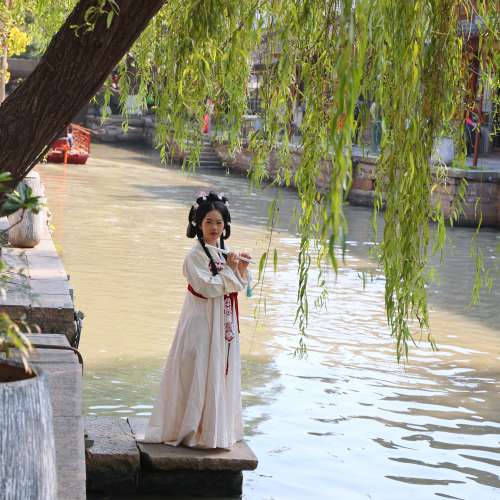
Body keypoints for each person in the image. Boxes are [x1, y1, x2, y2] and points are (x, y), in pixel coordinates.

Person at [142, 191, 251, 450]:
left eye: (219, 223)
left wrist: (241, 269)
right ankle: (192, 430)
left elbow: (239, 287)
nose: (214, 228)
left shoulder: (225, 253)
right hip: (201, 322)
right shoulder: (194, 257)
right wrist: (230, 271)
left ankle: (215, 431)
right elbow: (207, 287)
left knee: (220, 369)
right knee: (199, 369)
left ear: (225, 226)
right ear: (199, 225)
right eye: (209, 222)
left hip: (223, 323)